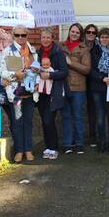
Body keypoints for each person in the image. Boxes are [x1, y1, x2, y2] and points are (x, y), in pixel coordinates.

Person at [0, 25, 39, 163]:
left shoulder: (32, 51)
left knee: (28, 122)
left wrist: (37, 82)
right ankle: (19, 150)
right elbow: (3, 72)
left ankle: (28, 150)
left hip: (29, 93)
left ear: (27, 36)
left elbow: (37, 70)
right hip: (16, 94)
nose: (20, 38)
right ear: (13, 35)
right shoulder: (7, 51)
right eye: (17, 35)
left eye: (23, 35)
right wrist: (15, 74)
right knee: (17, 123)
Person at [37, 27, 68, 160]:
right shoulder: (38, 52)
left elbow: (64, 72)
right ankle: (47, 147)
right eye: (43, 37)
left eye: (48, 37)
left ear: (52, 39)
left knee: (49, 120)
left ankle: (53, 147)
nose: (45, 40)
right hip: (40, 92)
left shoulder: (58, 52)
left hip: (53, 91)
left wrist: (49, 75)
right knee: (44, 121)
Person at [59, 23, 91, 154]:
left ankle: (79, 143)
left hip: (78, 88)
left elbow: (87, 69)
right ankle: (67, 144)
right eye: (73, 31)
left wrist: (71, 63)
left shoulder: (84, 49)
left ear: (80, 35)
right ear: (69, 32)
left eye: (77, 32)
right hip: (63, 86)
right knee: (65, 116)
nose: (74, 34)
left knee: (78, 116)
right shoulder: (60, 46)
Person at [89, 27, 109, 153]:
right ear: (98, 38)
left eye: (107, 37)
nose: (104, 39)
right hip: (97, 87)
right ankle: (102, 142)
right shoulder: (93, 51)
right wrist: (102, 78)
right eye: (102, 37)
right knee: (100, 116)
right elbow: (91, 71)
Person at [84, 24, 99, 147]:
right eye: (88, 32)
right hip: (79, 81)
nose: (90, 34)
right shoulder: (80, 45)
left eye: (93, 33)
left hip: (94, 82)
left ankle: (93, 136)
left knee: (92, 110)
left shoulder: (99, 47)